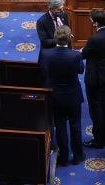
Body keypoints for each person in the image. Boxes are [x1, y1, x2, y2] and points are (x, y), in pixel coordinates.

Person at [39, 25, 85, 166]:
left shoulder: (46, 54)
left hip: (55, 95)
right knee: (75, 126)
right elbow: (80, 71)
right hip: (72, 95)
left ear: (55, 38)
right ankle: (77, 156)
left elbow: (42, 69)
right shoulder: (76, 55)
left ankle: (63, 157)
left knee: (60, 127)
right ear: (70, 37)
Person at [81, 9, 105, 149]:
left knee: (96, 109)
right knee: (104, 104)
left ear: (95, 23)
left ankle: (98, 140)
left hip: (94, 78)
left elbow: (84, 55)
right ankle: (104, 137)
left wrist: (82, 51)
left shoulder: (94, 39)